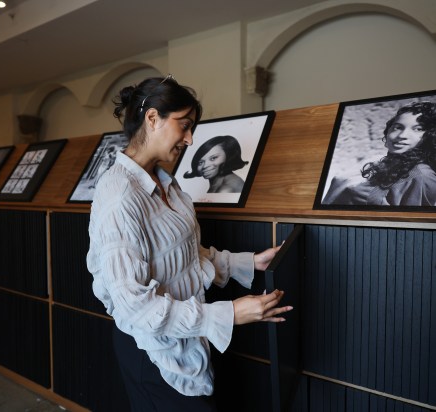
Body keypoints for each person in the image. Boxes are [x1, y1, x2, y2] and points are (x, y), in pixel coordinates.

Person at [86, 75, 292, 411]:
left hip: (186, 338)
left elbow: (188, 257)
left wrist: (250, 262)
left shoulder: (167, 184)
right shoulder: (119, 194)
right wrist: (229, 314)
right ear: (152, 118)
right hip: (150, 351)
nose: (190, 138)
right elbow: (134, 306)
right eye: (184, 125)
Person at [323, 101, 436, 206]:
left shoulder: (422, 176)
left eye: (418, 129)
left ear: (432, 135)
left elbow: (410, 222)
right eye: (398, 127)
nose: (402, 135)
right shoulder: (379, 161)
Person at [183, 135, 248, 193]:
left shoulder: (225, 190)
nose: (205, 166)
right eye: (200, 162)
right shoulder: (219, 184)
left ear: (228, 156)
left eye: (213, 158)